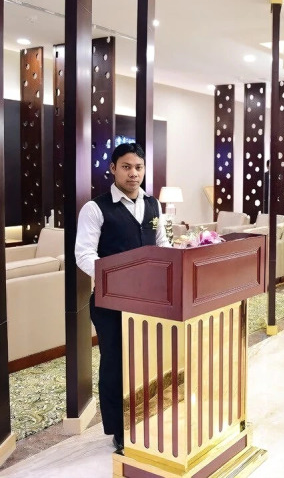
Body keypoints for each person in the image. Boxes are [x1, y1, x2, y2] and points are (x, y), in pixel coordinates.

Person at [75, 143, 170, 454]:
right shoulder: (95, 208)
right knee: (115, 364)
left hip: (149, 301)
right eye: (126, 167)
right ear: (113, 169)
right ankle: (119, 429)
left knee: (147, 361)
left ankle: (145, 416)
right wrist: (116, 278)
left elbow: (161, 245)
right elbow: (84, 254)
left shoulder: (153, 205)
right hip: (110, 302)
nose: (133, 173)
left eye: (138, 167)